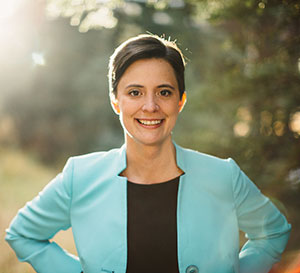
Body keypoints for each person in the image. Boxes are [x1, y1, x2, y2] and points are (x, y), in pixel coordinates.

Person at [6, 34, 291, 273]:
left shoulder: (223, 176)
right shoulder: (79, 176)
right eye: (135, 92)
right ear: (115, 101)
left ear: (181, 101)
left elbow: (274, 233)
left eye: (164, 92)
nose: (151, 106)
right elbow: (23, 234)